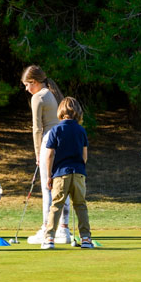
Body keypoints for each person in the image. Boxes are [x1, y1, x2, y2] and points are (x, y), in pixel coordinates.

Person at [21, 65, 71, 244]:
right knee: (62, 185)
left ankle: (46, 228)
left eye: (27, 84)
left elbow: (37, 129)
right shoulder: (53, 94)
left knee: (48, 187)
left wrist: (37, 154)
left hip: (49, 143)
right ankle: (63, 230)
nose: (26, 88)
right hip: (62, 142)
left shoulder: (38, 97)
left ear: (35, 82)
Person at [42, 97, 93, 249]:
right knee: (80, 205)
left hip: (60, 173)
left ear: (61, 112)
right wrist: (80, 168)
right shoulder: (81, 130)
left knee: (56, 205)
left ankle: (49, 238)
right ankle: (85, 239)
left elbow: (49, 155)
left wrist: (49, 175)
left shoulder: (56, 130)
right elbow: (85, 155)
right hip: (78, 172)